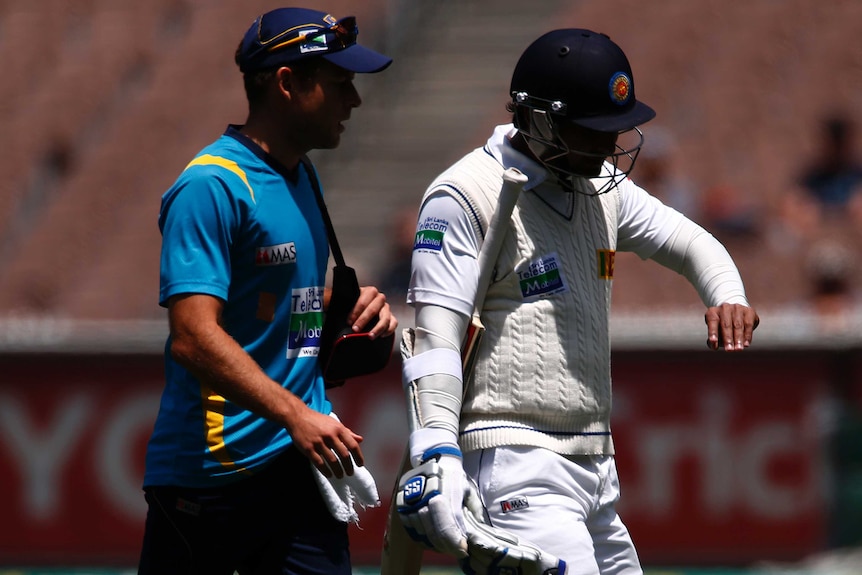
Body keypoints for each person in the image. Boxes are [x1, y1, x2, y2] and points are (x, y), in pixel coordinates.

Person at [388, 28, 759, 575]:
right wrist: (437, 450)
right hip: (514, 460)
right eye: (592, 131)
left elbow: (693, 243)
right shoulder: (464, 194)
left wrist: (727, 294)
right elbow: (435, 337)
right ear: (539, 119)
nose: (610, 146)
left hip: (594, 465)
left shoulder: (599, 183)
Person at [138, 7, 397, 575]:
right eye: (339, 83)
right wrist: (295, 415)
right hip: (211, 484)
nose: (353, 101)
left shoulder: (303, 175)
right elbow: (191, 336)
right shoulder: (211, 185)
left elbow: (281, 308)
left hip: (298, 475)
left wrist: (345, 307)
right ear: (287, 83)